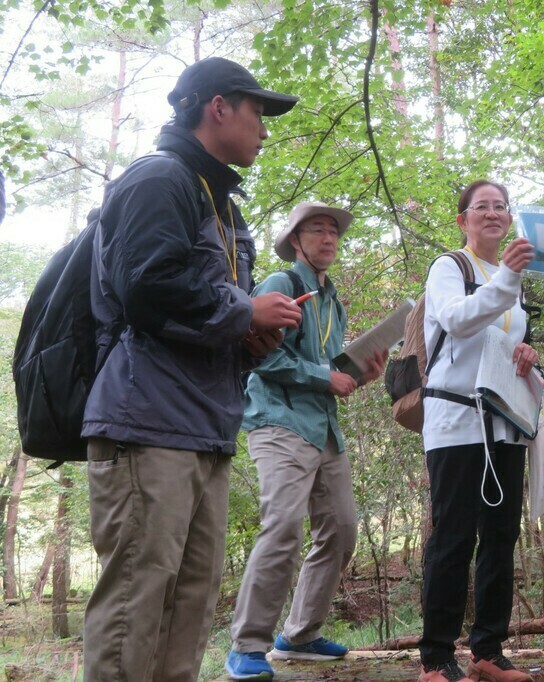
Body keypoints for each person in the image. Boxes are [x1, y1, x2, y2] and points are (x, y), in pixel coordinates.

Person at [82, 57, 302, 682]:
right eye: (259, 112)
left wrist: (250, 338)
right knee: (135, 604)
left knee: (191, 603)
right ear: (218, 107)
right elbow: (145, 288)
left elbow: (206, 313)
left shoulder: (224, 208)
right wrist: (243, 309)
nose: (265, 128)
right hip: (146, 422)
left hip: (207, 428)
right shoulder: (160, 179)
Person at [224, 201, 387, 680]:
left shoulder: (332, 300)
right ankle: (247, 646)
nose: (328, 238)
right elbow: (260, 357)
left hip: (324, 427)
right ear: (296, 241)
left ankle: (299, 634)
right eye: (317, 230)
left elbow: (330, 370)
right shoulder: (281, 285)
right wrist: (324, 377)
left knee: (341, 529)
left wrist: (360, 373)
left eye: (333, 232)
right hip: (279, 423)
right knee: (282, 529)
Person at [417, 180, 538, 682]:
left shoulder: (511, 280)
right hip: (455, 422)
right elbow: (458, 320)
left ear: (510, 220)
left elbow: (502, 342)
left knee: (500, 537)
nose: (492, 214)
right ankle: (437, 658)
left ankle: (488, 651)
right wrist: (507, 276)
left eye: (500, 207)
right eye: (481, 207)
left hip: (503, 423)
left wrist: (527, 354)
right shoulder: (451, 267)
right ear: (463, 220)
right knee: (454, 537)